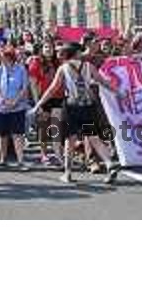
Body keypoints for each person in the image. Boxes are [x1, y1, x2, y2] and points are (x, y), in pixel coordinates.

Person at [32, 43, 123, 185]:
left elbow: (52, 89)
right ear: (76, 54)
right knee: (94, 137)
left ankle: (67, 173)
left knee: (70, 140)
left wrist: (38, 104)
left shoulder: (63, 68)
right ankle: (109, 163)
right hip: (88, 106)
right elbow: (102, 82)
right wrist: (118, 92)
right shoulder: (89, 66)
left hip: (71, 107)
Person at [0, 45, 30, 171]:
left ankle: (20, 160)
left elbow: (24, 87)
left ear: (10, 57)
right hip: (0, 107)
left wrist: (15, 101)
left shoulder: (21, 69)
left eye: (5, 56)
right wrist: (2, 100)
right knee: (2, 134)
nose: (2, 59)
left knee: (18, 134)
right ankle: (2, 158)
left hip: (17, 107)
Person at [28, 41, 63, 167]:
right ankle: (44, 154)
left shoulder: (57, 62)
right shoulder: (36, 62)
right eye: (46, 47)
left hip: (58, 98)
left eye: (51, 47)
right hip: (43, 98)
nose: (49, 49)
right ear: (41, 49)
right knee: (43, 127)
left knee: (56, 126)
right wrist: (38, 103)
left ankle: (58, 153)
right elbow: (33, 84)